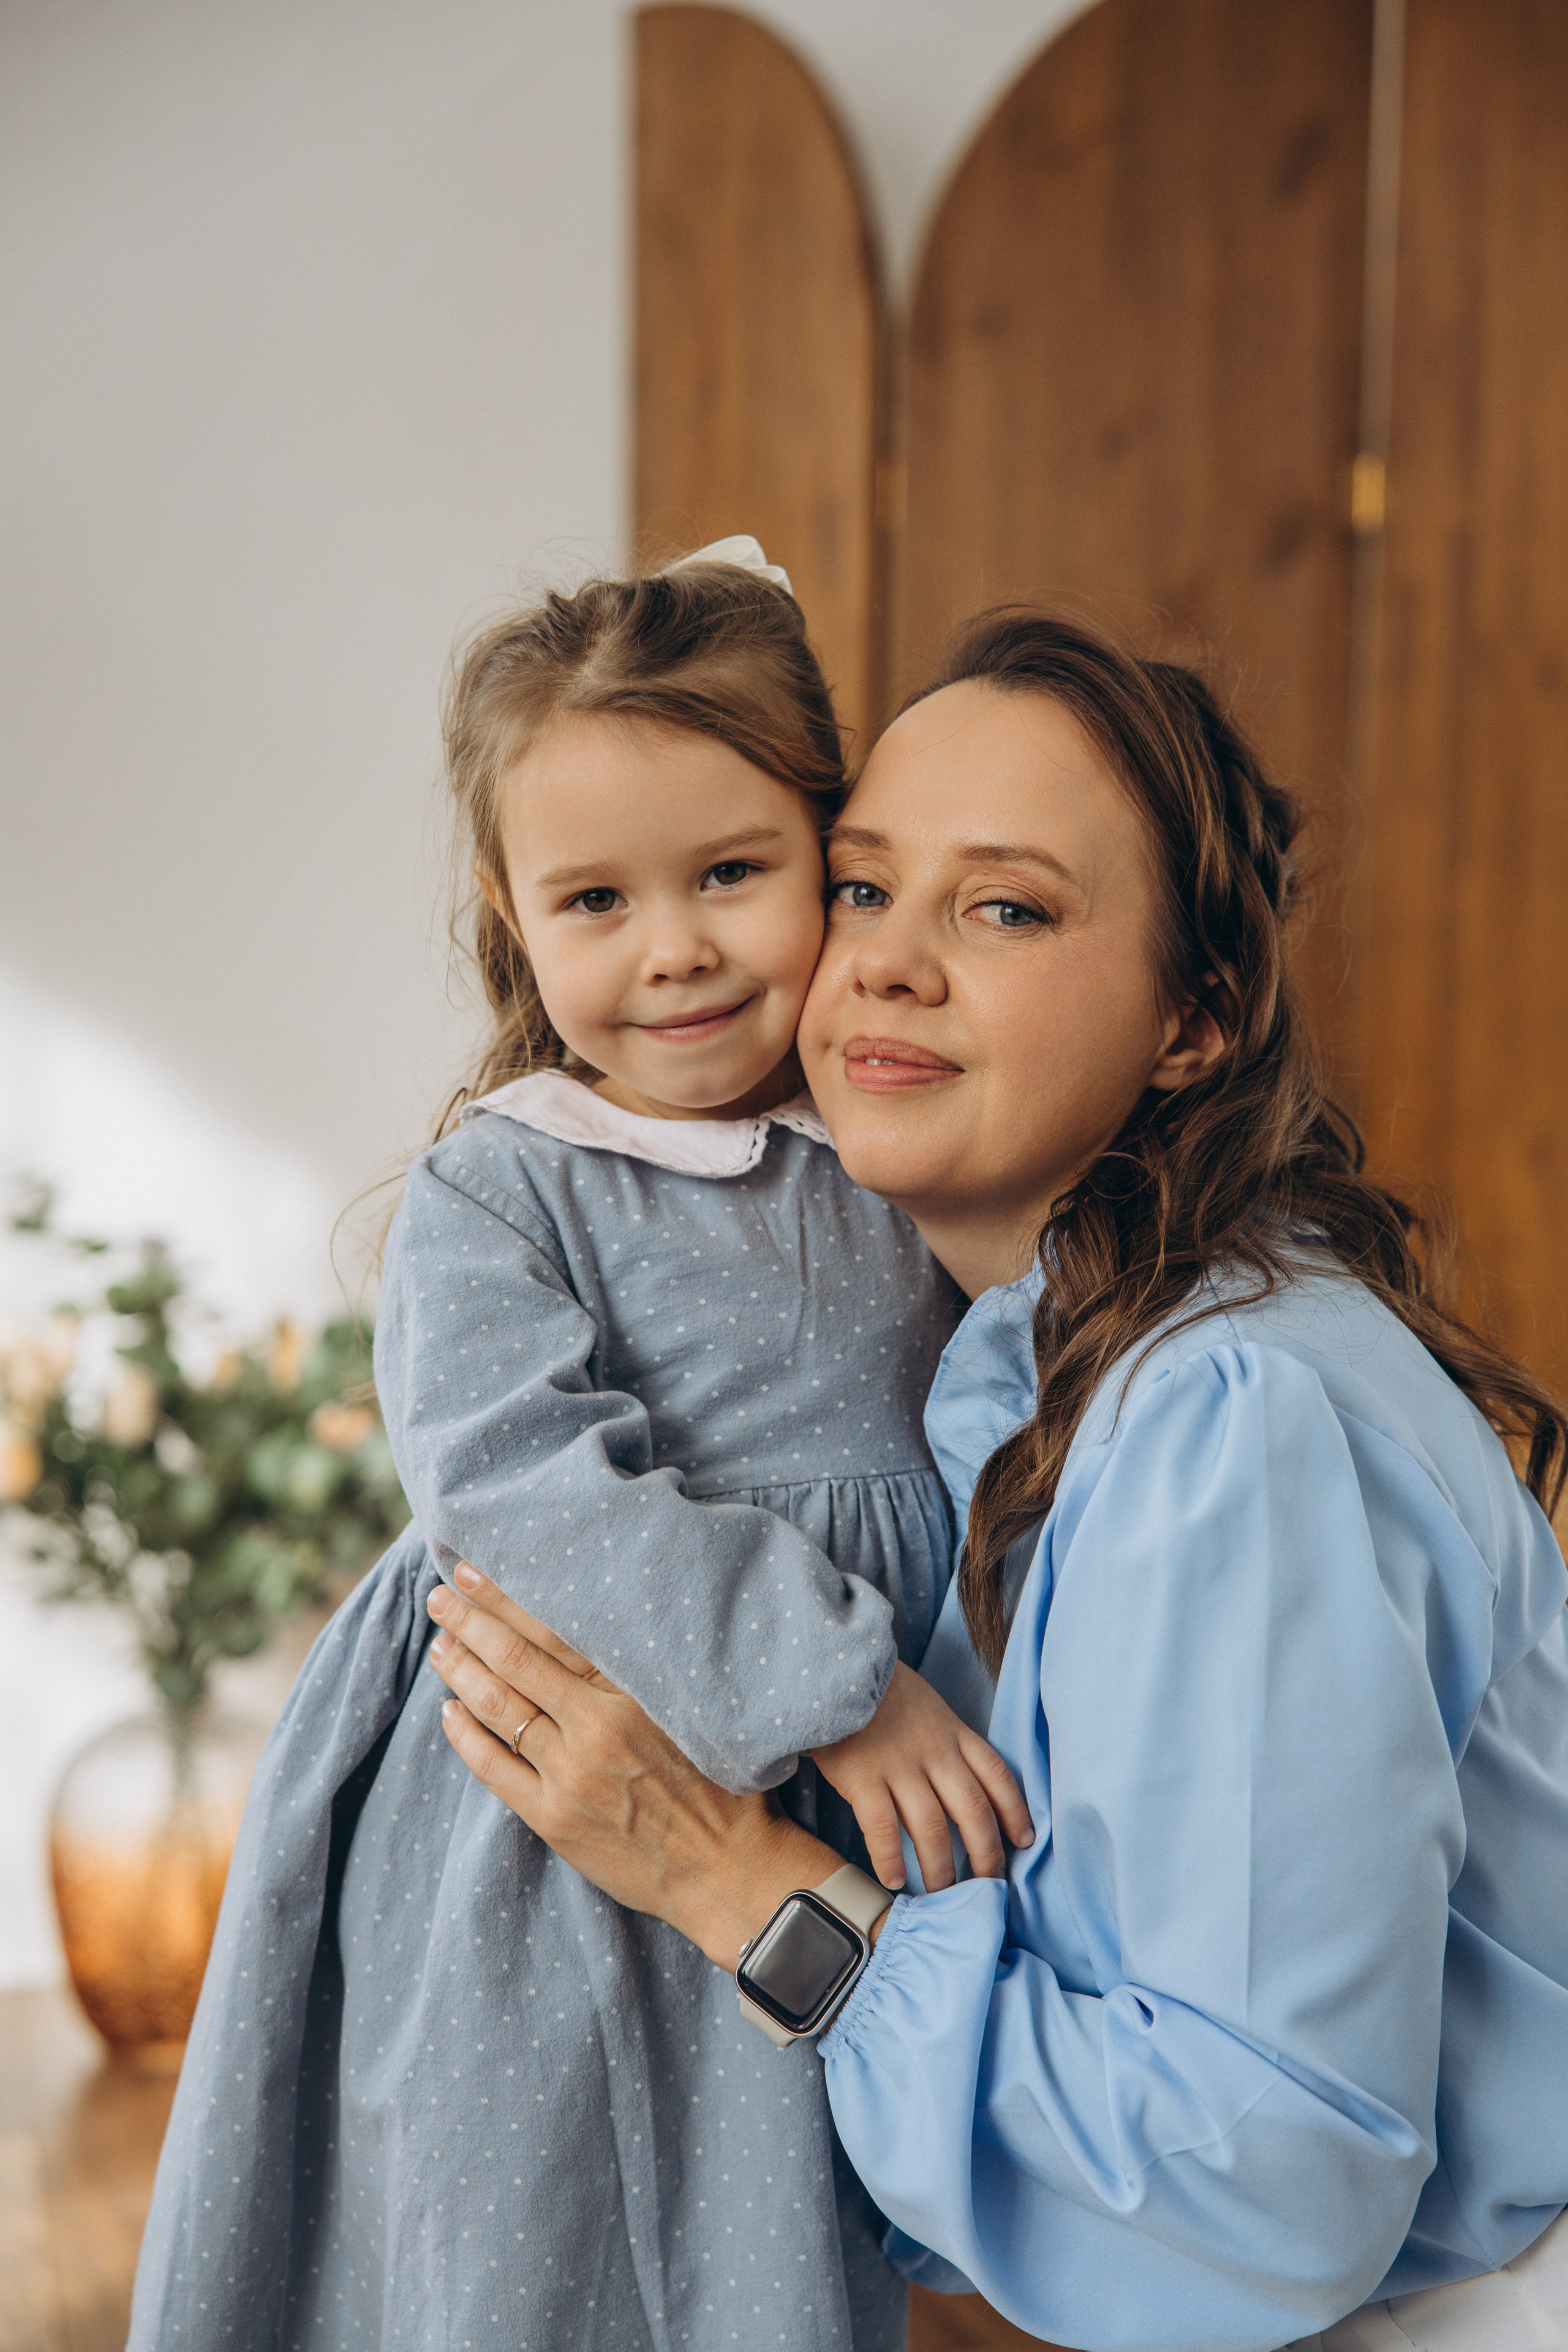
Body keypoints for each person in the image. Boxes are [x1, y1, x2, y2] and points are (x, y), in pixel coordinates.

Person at [427, 611, 1568, 2352]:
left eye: (1008, 906)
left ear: (1196, 1020)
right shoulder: (1019, 1373)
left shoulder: (1233, 1421)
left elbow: (1254, 2196)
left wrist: (727, 1879)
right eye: (865, 888)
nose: (884, 964)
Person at [127, 545, 1030, 2352]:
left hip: (809, 1820)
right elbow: (519, 1483)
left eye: (732, 873)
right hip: (538, 1801)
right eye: (597, 899)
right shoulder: (506, 1183)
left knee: (767, 2248)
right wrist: (835, 1682)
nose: (674, 945)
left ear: (829, 854)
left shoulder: (892, 1138)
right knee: (524, 2236)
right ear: (511, 910)